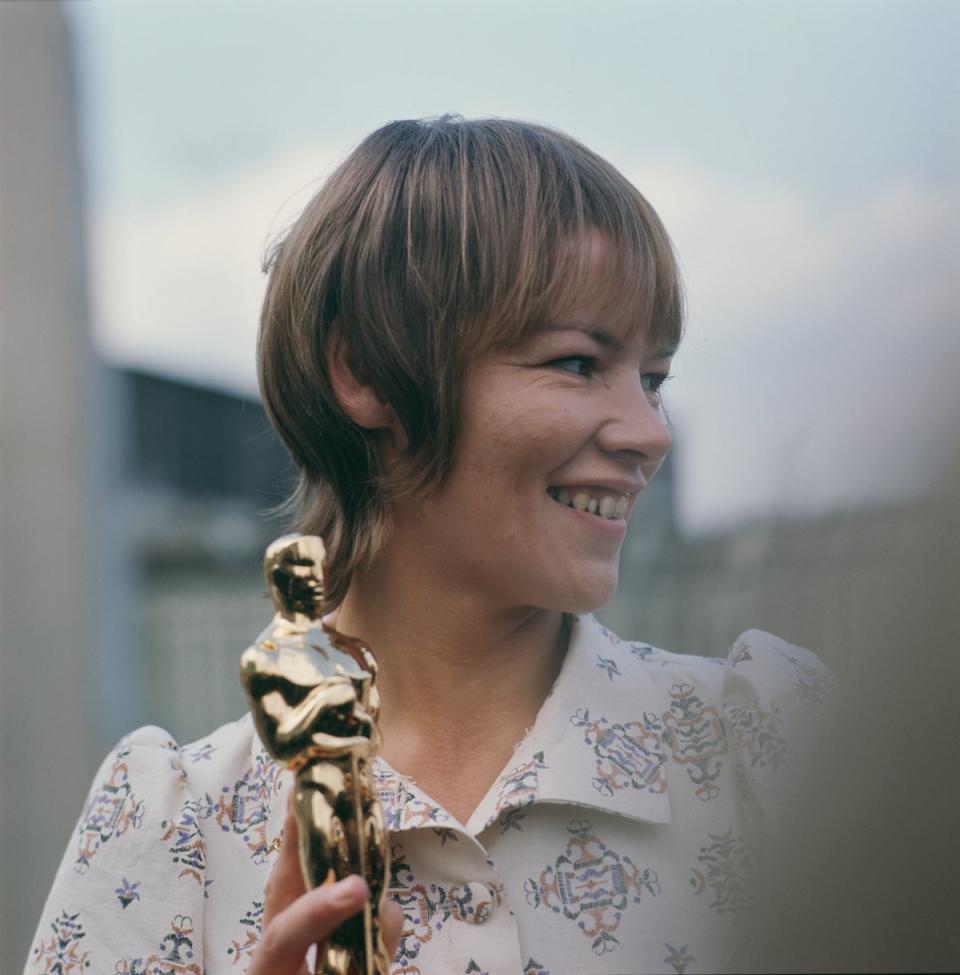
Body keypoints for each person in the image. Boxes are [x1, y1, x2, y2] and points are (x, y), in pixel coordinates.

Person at [26, 116, 830, 975]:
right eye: (576, 363)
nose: (649, 432)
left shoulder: (778, 753)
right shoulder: (166, 827)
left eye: (654, 378)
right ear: (364, 371)